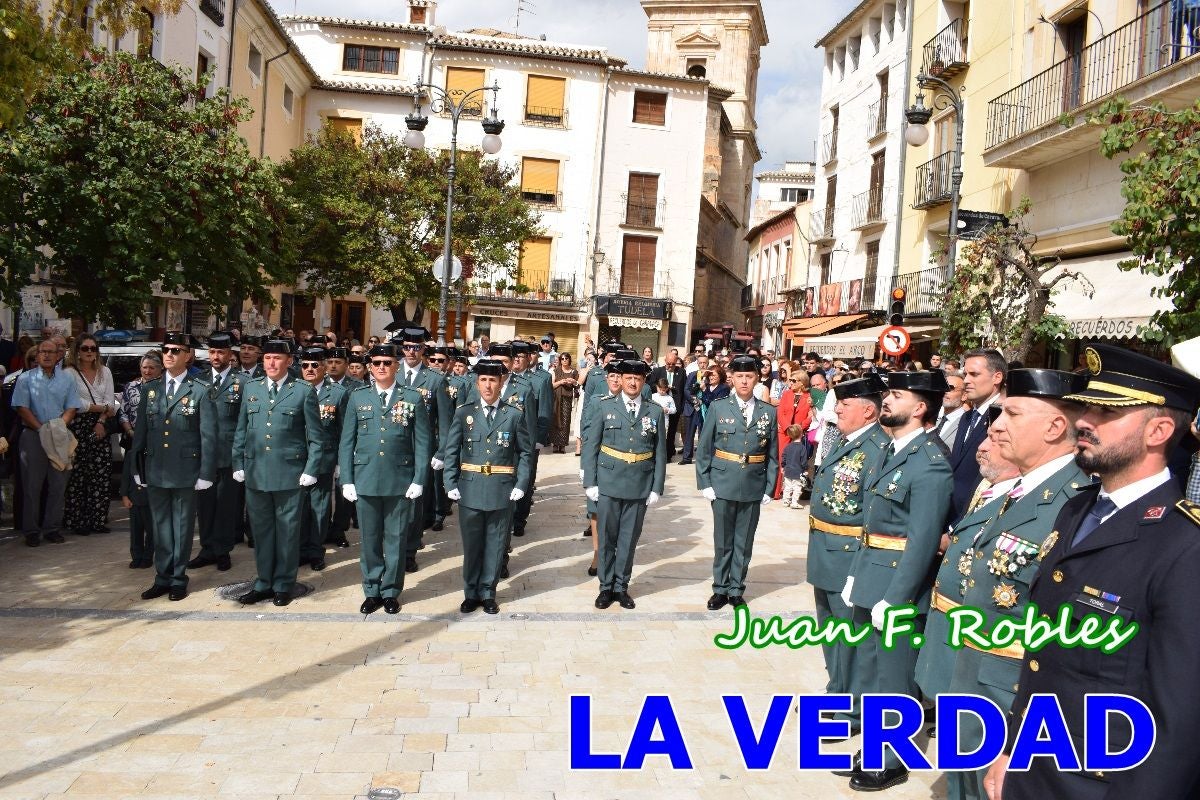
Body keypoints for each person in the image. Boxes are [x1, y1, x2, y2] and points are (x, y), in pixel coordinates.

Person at [985, 345, 1200, 800]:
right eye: (1086, 406)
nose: (1084, 420)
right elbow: (1043, 658)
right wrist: (1012, 751)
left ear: (1158, 430)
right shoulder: (1078, 508)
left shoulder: (1186, 546)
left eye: (1106, 411)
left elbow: (1178, 722)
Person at [931, 370, 1091, 800]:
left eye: (1012, 414)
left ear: (1055, 428)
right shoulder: (1018, 488)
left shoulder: (1074, 504)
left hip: (1010, 692)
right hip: (972, 674)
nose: (996, 425)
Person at [840, 370, 953, 791]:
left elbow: (923, 541)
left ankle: (891, 756)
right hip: (872, 575)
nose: (886, 400)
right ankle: (874, 743)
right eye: (888, 393)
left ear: (921, 408)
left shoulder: (930, 464)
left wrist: (898, 597)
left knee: (893, 676)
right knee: (869, 670)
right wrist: (855, 574)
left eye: (897, 395)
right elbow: (873, 523)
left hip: (897, 586)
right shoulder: (894, 450)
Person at [807, 373, 891, 734]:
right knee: (832, 632)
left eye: (846, 404)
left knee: (851, 637)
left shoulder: (876, 449)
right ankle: (837, 692)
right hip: (824, 550)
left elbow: (873, 515)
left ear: (869, 411)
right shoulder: (846, 440)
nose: (837, 408)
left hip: (848, 553)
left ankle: (855, 707)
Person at [338, 342, 431, 615]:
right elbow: (347, 442)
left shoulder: (412, 398)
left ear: (396, 365)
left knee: (396, 539)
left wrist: (419, 479)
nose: (381, 367)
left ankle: (390, 591)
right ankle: (371, 589)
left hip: (399, 479)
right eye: (376, 363)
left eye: (387, 363)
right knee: (369, 539)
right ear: (369, 367)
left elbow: (423, 443)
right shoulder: (357, 397)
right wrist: (347, 479)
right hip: (365, 478)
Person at [230, 340, 322, 607]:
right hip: (256, 471)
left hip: (289, 474)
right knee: (261, 531)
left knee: (287, 532)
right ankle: (263, 582)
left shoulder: (302, 391)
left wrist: (311, 469)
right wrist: (238, 462)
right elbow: (242, 429)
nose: (270, 363)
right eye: (267, 357)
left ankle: (283, 583)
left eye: (277, 358)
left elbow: (315, 437)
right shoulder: (252, 388)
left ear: (289, 362)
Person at [131, 333, 217, 601]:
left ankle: (178, 578)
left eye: (176, 350)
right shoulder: (150, 389)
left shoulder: (200, 390)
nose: (169, 355)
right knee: (160, 527)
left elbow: (208, 436)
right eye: (166, 350)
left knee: (181, 527)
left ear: (188, 356)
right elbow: (141, 433)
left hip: (186, 470)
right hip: (156, 468)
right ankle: (162, 577)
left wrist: (205, 473)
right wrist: (137, 468)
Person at [443, 358, 533, 615]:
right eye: (483, 379)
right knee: (472, 545)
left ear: (501, 382)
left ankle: (488, 592)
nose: (488, 385)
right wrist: (449, 481)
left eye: (493, 380)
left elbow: (525, 453)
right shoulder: (464, 413)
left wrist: (521, 483)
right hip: (470, 487)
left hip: (501, 488)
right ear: (476, 382)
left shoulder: (513, 414)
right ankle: (471, 592)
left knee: (495, 544)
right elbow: (452, 450)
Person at [581, 359, 666, 610]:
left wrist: (656, 487)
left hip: (639, 484)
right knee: (607, 538)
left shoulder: (654, 411)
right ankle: (605, 587)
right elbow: (591, 446)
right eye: (628, 377)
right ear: (620, 379)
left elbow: (660, 452)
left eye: (637, 379)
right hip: (608, 483)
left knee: (629, 539)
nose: (632, 382)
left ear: (643, 382)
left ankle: (621, 587)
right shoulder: (603, 407)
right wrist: (590, 482)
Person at [695, 355, 778, 609]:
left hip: (753, 483)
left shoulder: (768, 412)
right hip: (722, 481)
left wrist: (769, 487)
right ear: (732, 378)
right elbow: (705, 448)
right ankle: (720, 588)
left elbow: (773, 454)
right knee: (723, 540)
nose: (744, 381)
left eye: (749, 376)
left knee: (744, 542)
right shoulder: (719, 408)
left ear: (757, 379)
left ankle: (736, 589)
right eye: (740, 376)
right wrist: (705, 482)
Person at [11, 339, 87, 546]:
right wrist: (42, 429)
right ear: (36, 356)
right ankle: (32, 531)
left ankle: (52, 528)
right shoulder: (25, 379)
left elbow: (72, 406)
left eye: (50, 352)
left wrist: (58, 428)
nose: (46, 355)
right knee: (32, 486)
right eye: (42, 352)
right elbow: (21, 408)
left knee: (58, 484)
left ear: (58, 356)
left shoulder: (66, 379)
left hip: (59, 435)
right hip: (33, 435)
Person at [396, 327, 452, 567]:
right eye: (407, 347)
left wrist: (442, 452)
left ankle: (409, 551)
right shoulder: (390, 372)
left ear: (423, 350)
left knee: (415, 502)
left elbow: (446, 420)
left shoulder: (435, 379)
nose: (411, 352)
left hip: (421, 450)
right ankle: (394, 546)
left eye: (416, 347)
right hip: (392, 448)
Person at [189, 332, 241, 572]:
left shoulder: (242, 382)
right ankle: (207, 548)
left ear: (230, 355)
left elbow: (245, 422)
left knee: (226, 506)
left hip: (229, 454)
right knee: (205, 504)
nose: (216, 356)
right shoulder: (198, 381)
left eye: (221, 352)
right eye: (212, 352)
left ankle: (223, 550)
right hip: (203, 454)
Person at [295, 347, 349, 572]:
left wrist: (339, 462)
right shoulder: (292, 390)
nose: (309, 369)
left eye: (314, 365)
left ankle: (315, 551)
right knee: (297, 508)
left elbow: (344, 430)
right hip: (296, 459)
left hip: (324, 460)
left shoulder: (337, 393)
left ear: (324, 367)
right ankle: (299, 549)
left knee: (319, 508)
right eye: (305, 365)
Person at [64, 334, 118, 536]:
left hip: (101, 424)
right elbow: (76, 404)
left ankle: (97, 520)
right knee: (78, 475)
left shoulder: (105, 372)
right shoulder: (69, 373)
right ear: (77, 351)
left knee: (101, 473)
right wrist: (100, 407)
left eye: (93, 348)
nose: (89, 352)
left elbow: (111, 404)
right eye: (85, 348)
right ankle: (77, 520)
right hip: (77, 426)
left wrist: (102, 421)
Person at [950, 348, 1006, 519]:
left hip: (973, 519)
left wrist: (956, 529)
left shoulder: (1003, 419)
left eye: (974, 374)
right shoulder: (967, 417)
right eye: (965, 374)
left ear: (997, 377)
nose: (966, 380)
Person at [118, 352, 163, 568]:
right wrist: (132, 433)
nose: (147, 371)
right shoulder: (131, 387)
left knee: (151, 520)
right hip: (134, 440)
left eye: (151, 367)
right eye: (144, 367)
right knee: (136, 520)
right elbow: (123, 413)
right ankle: (137, 555)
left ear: (160, 369)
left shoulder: (164, 387)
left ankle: (148, 555)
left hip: (157, 446)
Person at [775, 368, 811, 499]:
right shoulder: (787, 394)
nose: (790, 383)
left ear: (802, 382)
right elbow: (780, 412)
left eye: (793, 380)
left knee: (795, 462)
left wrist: (799, 428)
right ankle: (778, 490)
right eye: (790, 380)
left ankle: (792, 493)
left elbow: (810, 416)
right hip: (784, 432)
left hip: (798, 433)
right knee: (781, 460)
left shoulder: (809, 397)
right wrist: (787, 427)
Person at [647, 349, 686, 460]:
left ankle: (668, 455)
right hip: (660, 407)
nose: (670, 366)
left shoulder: (681, 372)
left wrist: (680, 407)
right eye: (668, 364)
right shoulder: (657, 371)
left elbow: (683, 389)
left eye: (673, 364)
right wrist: (662, 387)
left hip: (674, 408)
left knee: (671, 432)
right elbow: (650, 385)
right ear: (665, 361)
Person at [550, 352, 579, 453]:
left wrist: (573, 382)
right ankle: (555, 443)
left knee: (565, 421)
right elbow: (551, 385)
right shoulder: (556, 371)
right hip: (556, 398)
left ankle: (562, 445)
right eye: (562, 358)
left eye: (566, 358)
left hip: (567, 398)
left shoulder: (574, 371)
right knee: (555, 419)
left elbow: (578, 385)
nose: (564, 360)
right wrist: (561, 382)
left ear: (569, 359)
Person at [779, 424, 808, 508]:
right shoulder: (802, 448)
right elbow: (803, 461)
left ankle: (786, 501)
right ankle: (794, 502)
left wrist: (783, 467)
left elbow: (783, 457)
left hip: (788, 471)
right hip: (797, 472)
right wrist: (805, 469)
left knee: (787, 487)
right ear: (801, 434)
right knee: (797, 488)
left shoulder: (787, 447)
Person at [937, 372, 968, 449]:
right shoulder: (932, 417)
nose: (945, 391)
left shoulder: (968, 423)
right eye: (943, 387)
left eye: (951, 388)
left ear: (964, 396)